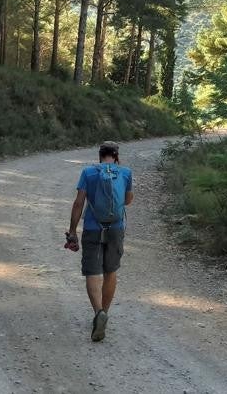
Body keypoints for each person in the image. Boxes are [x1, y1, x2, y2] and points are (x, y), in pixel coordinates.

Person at [66, 141, 133, 342]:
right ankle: (105, 311)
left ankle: (98, 312)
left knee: (92, 272)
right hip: (115, 228)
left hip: (93, 229)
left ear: (100, 155)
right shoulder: (125, 173)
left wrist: (72, 231)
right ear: (116, 156)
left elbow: (79, 203)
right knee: (110, 271)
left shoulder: (88, 173)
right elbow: (128, 200)